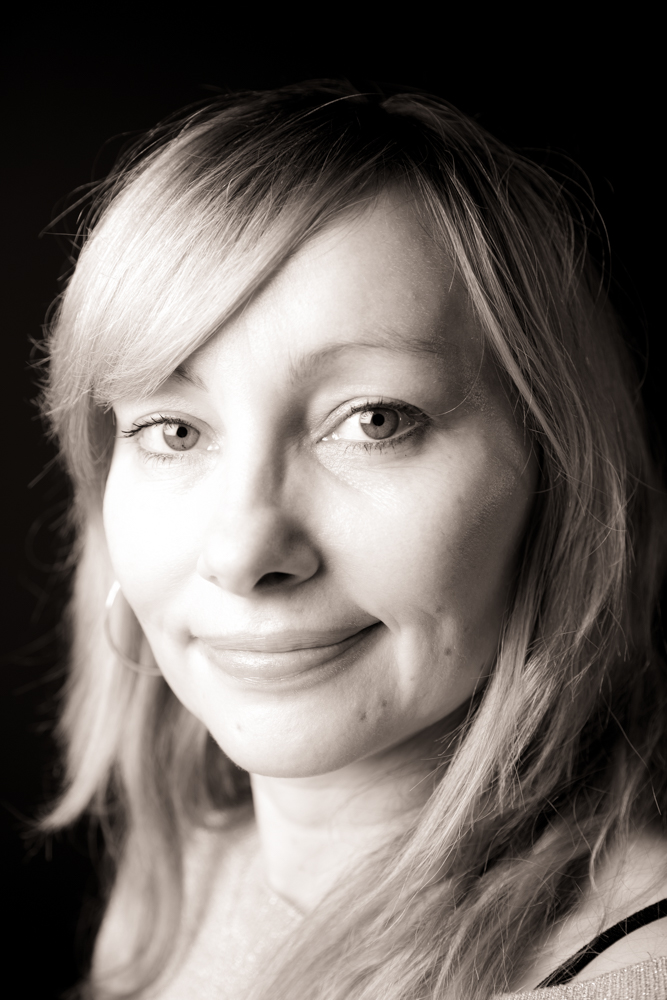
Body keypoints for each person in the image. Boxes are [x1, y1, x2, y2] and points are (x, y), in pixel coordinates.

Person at [40, 80, 667, 999]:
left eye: (374, 419)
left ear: (556, 476)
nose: (244, 552)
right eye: (172, 430)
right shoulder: (183, 881)